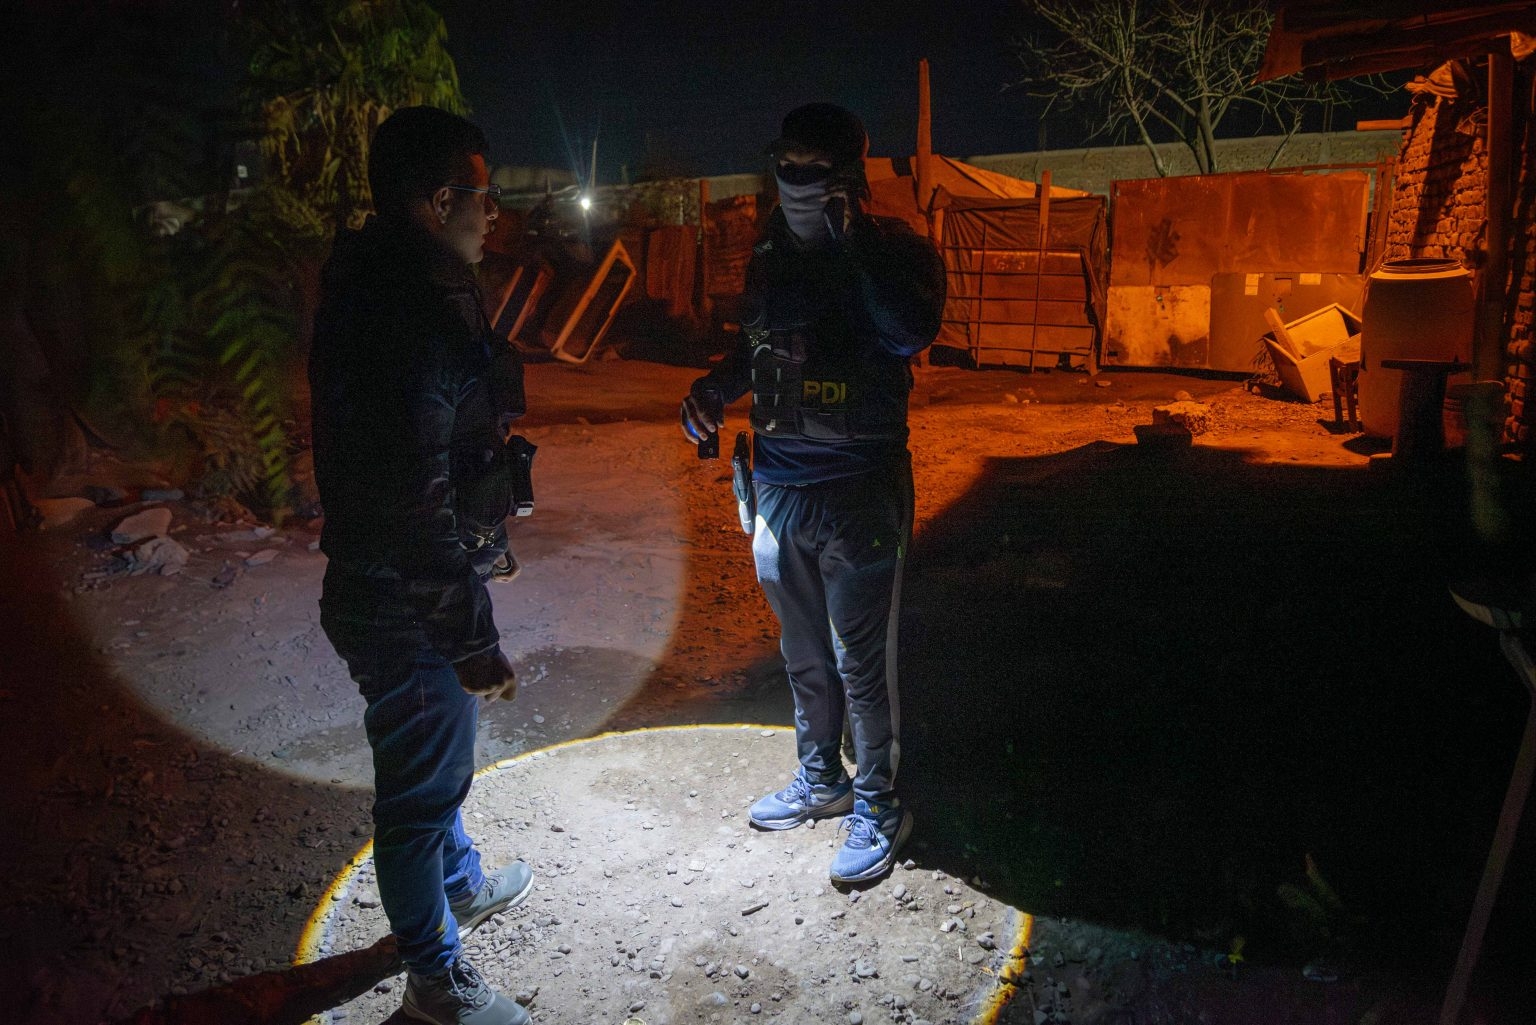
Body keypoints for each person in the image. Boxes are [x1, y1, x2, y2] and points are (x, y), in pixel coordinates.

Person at [679, 102, 945, 883]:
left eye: (815, 169)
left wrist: (852, 240)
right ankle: (821, 778)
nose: (796, 182)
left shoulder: (896, 248)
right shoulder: (769, 254)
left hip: (858, 490)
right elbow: (755, 346)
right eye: (786, 167)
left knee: (861, 661)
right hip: (777, 486)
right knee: (803, 653)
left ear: (852, 175)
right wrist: (713, 388)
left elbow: (910, 331)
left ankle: (878, 802)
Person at [310, 106, 534, 1025]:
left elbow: (441, 460)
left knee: (437, 768)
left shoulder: (380, 281)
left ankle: (460, 882)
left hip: (395, 584)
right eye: (484, 195)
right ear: (442, 200)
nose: (494, 213)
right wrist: (470, 637)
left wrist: (486, 547)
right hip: (400, 599)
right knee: (416, 795)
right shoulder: (414, 312)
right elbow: (411, 500)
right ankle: (434, 981)